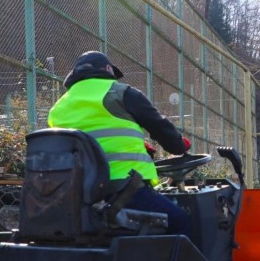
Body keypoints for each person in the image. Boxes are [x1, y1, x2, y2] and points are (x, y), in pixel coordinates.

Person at [47, 51, 191, 235]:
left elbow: (86, 139)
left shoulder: (57, 109)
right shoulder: (121, 93)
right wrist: (180, 145)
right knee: (180, 221)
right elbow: (161, 129)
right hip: (125, 192)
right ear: (108, 69)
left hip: (79, 197)